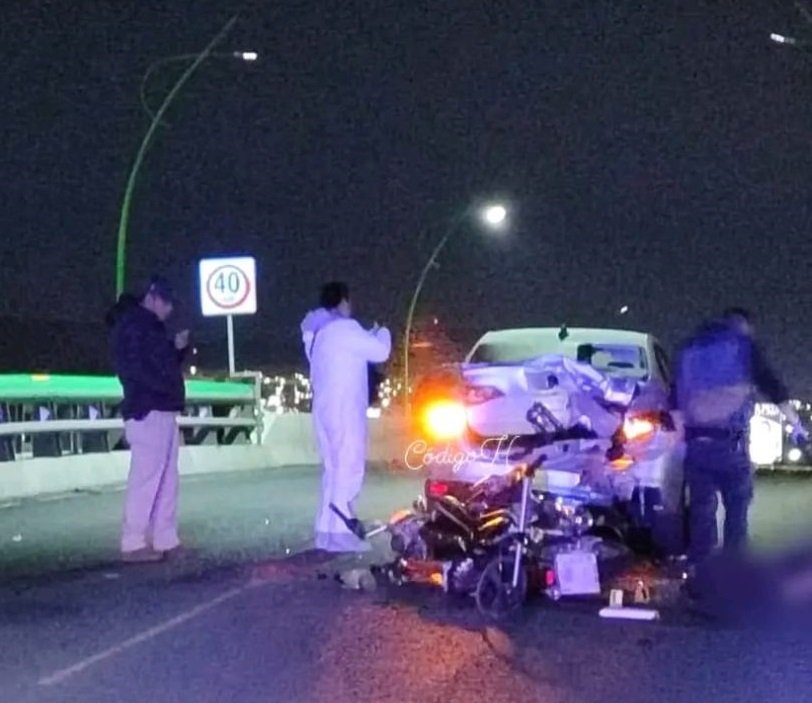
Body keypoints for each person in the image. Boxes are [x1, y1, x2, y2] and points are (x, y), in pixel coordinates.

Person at [674, 307, 807, 565]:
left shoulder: (690, 348)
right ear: (743, 325)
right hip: (730, 444)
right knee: (737, 508)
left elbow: (676, 396)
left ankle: (700, 567)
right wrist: (797, 427)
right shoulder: (743, 347)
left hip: (695, 445)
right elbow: (774, 387)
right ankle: (733, 567)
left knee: (701, 509)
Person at [300, 282, 391, 552]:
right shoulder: (345, 329)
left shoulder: (318, 334)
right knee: (348, 466)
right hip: (345, 409)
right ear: (342, 302)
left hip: (323, 409)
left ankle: (326, 531)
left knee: (333, 469)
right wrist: (382, 332)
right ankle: (341, 532)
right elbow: (380, 352)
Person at [106, 277, 190, 563]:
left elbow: (158, 365)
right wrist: (164, 386)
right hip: (148, 408)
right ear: (152, 297)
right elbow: (139, 370)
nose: (169, 309)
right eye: (166, 302)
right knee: (148, 478)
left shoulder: (146, 326)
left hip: (160, 408)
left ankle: (165, 537)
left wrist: (176, 350)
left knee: (166, 479)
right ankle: (133, 541)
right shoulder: (135, 327)